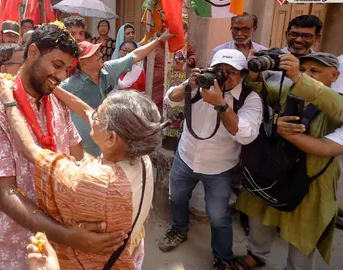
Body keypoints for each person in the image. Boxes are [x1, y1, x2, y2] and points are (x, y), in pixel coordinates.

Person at [0, 23, 126, 270]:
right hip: (19, 247)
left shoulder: (54, 99)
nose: (63, 76)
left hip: (62, 239)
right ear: (33, 52)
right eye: (57, 65)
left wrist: (109, 189)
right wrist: (69, 236)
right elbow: (4, 195)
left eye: (67, 68)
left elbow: (76, 155)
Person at [0, 76, 158, 269]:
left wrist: (8, 99)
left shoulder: (94, 182)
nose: (92, 114)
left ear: (111, 138)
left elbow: (29, 149)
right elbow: (86, 110)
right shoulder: (142, 157)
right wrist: (54, 88)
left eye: (98, 114)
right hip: (133, 252)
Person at [237, 52, 343, 270]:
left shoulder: (336, 102)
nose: (305, 75)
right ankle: (257, 254)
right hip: (276, 170)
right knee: (260, 214)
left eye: (315, 71)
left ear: (335, 75)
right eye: (303, 69)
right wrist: (255, 73)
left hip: (311, 179)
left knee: (303, 232)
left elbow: (334, 113)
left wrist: (300, 78)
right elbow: (260, 90)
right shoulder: (289, 90)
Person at [159, 49, 263, 270]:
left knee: (218, 216)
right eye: (219, 70)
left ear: (242, 75)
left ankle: (223, 257)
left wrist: (221, 104)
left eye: (231, 72)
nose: (224, 76)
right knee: (176, 199)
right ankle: (178, 230)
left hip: (219, 167)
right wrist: (190, 83)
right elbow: (171, 99)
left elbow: (246, 134)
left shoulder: (249, 99)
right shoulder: (200, 86)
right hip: (186, 157)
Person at [60, 30, 174, 157]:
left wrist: (159, 41)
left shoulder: (108, 69)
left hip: (110, 146)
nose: (101, 54)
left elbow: (134, 55)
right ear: (83, 62)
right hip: (85, 152)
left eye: (99, 51)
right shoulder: (69, 86)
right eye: (95, 53)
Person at [255, 15, 323, 88]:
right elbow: (255, 87)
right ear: (286, 34)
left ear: (317, 37)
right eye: (294, 34)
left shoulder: (322, 64)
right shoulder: (271, 58)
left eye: (306, 36)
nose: (298, 40)